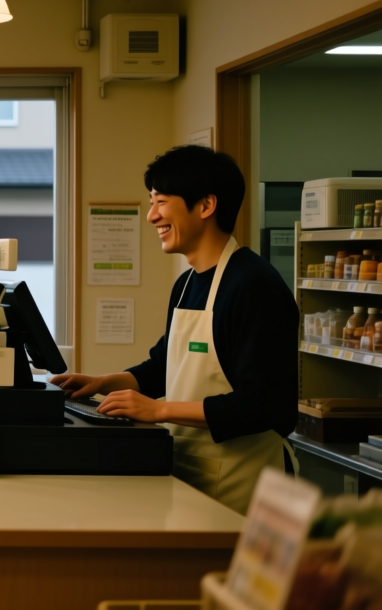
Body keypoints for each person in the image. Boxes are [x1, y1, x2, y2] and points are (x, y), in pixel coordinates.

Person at [50, 145, 298, 514]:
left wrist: (158, 411)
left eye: (161, 202)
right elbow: (166, 366)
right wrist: (104, 382)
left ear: (206, 206)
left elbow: (264, 405)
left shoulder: (253, 285)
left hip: (245, 486)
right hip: (190, 475)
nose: (151, 216)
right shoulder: (186, 284)